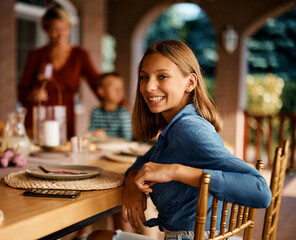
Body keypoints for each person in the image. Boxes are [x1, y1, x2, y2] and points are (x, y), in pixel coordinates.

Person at [87, 40, 271, 240]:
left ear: (190, 83)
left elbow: (260, 191)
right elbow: (145, 162)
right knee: (98, 236)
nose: (149, 87)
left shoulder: (188, 129)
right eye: (144, 77)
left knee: (94, 237)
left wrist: (175, 171)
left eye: (162, 76)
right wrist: (132, 179)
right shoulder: (175, 127)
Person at [18, 4, 99, 139]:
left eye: (65, 29)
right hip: (39, 118)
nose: (61, 34)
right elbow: (22, 91)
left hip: (65, 118)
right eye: (55, 30)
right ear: (46, 29)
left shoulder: (80, 55)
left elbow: (98, 84)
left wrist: (119, 104)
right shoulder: (36, 55)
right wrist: (33, 94)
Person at [89, 72, 133, 141]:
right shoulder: (95, 112)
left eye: (121, 88)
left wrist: (106, 138)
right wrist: (94, 134)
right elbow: (90, 134)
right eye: (115, 88)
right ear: (101, 91)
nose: (119, 91)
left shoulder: (124, 114)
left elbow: (128, 139)